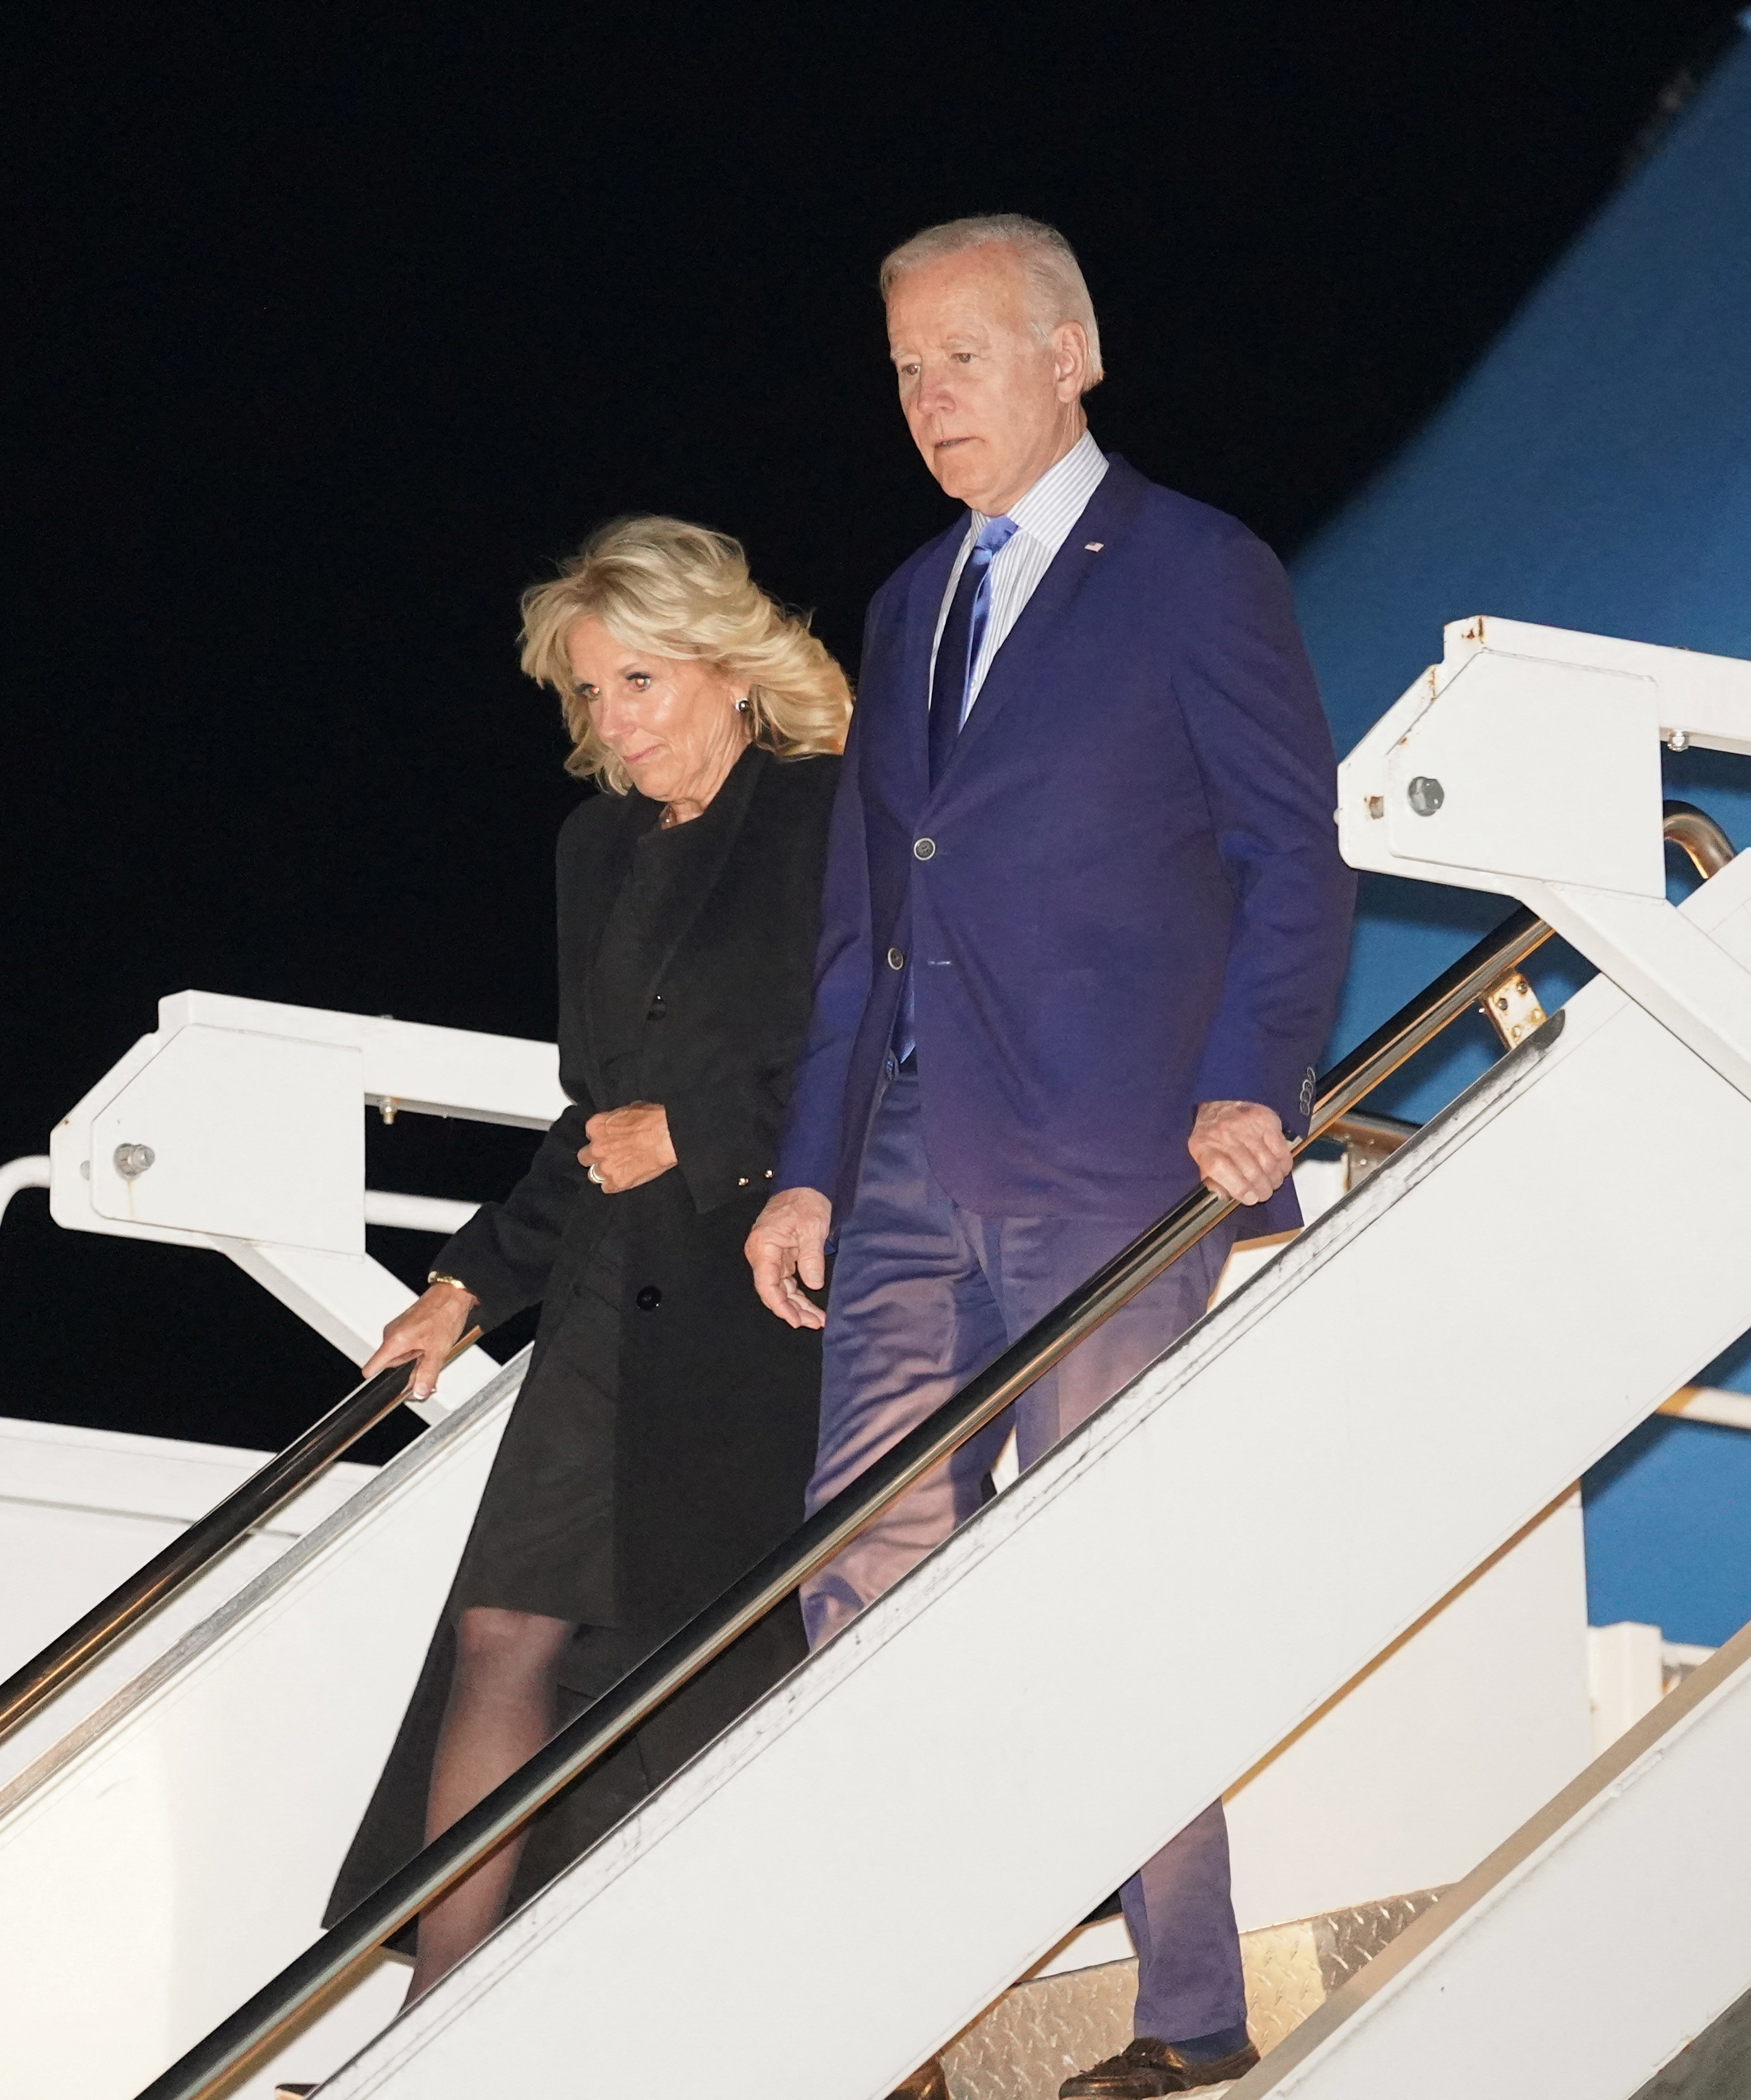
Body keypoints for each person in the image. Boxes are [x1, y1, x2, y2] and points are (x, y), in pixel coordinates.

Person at [744, 216, 1355, 2100]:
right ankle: (914, 1993)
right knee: (863, 1548)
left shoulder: (1191, 569)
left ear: (1070, 354)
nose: (930, 400)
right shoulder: (906, 600)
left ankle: (1185, 2013)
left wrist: (1255, 1079)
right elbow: (871, 920)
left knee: (1104, 1571)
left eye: (965, 358)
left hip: (1117, 1150)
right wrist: (811, 1164)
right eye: (907, 369)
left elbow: (1293, 852)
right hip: (914, 1144)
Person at [330, 514, 849, 1997]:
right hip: (606, 1298)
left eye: (639, 682)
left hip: (764, 1298)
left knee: (698, 1685)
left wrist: (706, 1135)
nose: (614, 724)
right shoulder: (596, 847)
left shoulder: (828, 816)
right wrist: (464, 1282)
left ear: (728, 669)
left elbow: (874, 1050)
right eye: (590, 693)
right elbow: (592, 1109)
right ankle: (437, 2011)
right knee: (501, 1631)